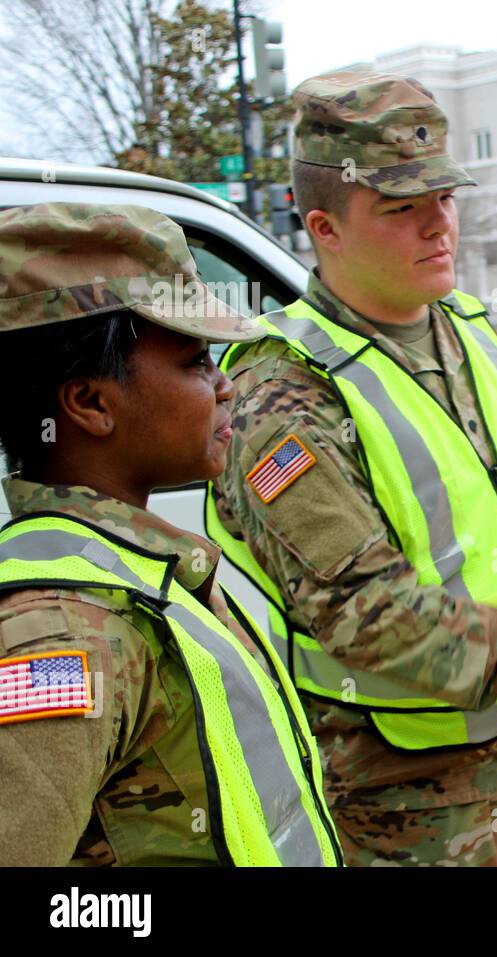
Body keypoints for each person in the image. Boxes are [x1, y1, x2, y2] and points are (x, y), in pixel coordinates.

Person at [205, 71, 497, 867]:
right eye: (400, 208)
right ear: (325, 226)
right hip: (407, 797)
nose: (439, 225)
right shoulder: (280, 396)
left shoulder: (465, 326)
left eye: (446, 197)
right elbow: (371, 616)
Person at [0, 203, 342, 866]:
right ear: (92, 403)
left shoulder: (141, 571)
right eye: (194, 361)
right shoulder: (64, 633)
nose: (224, 386)